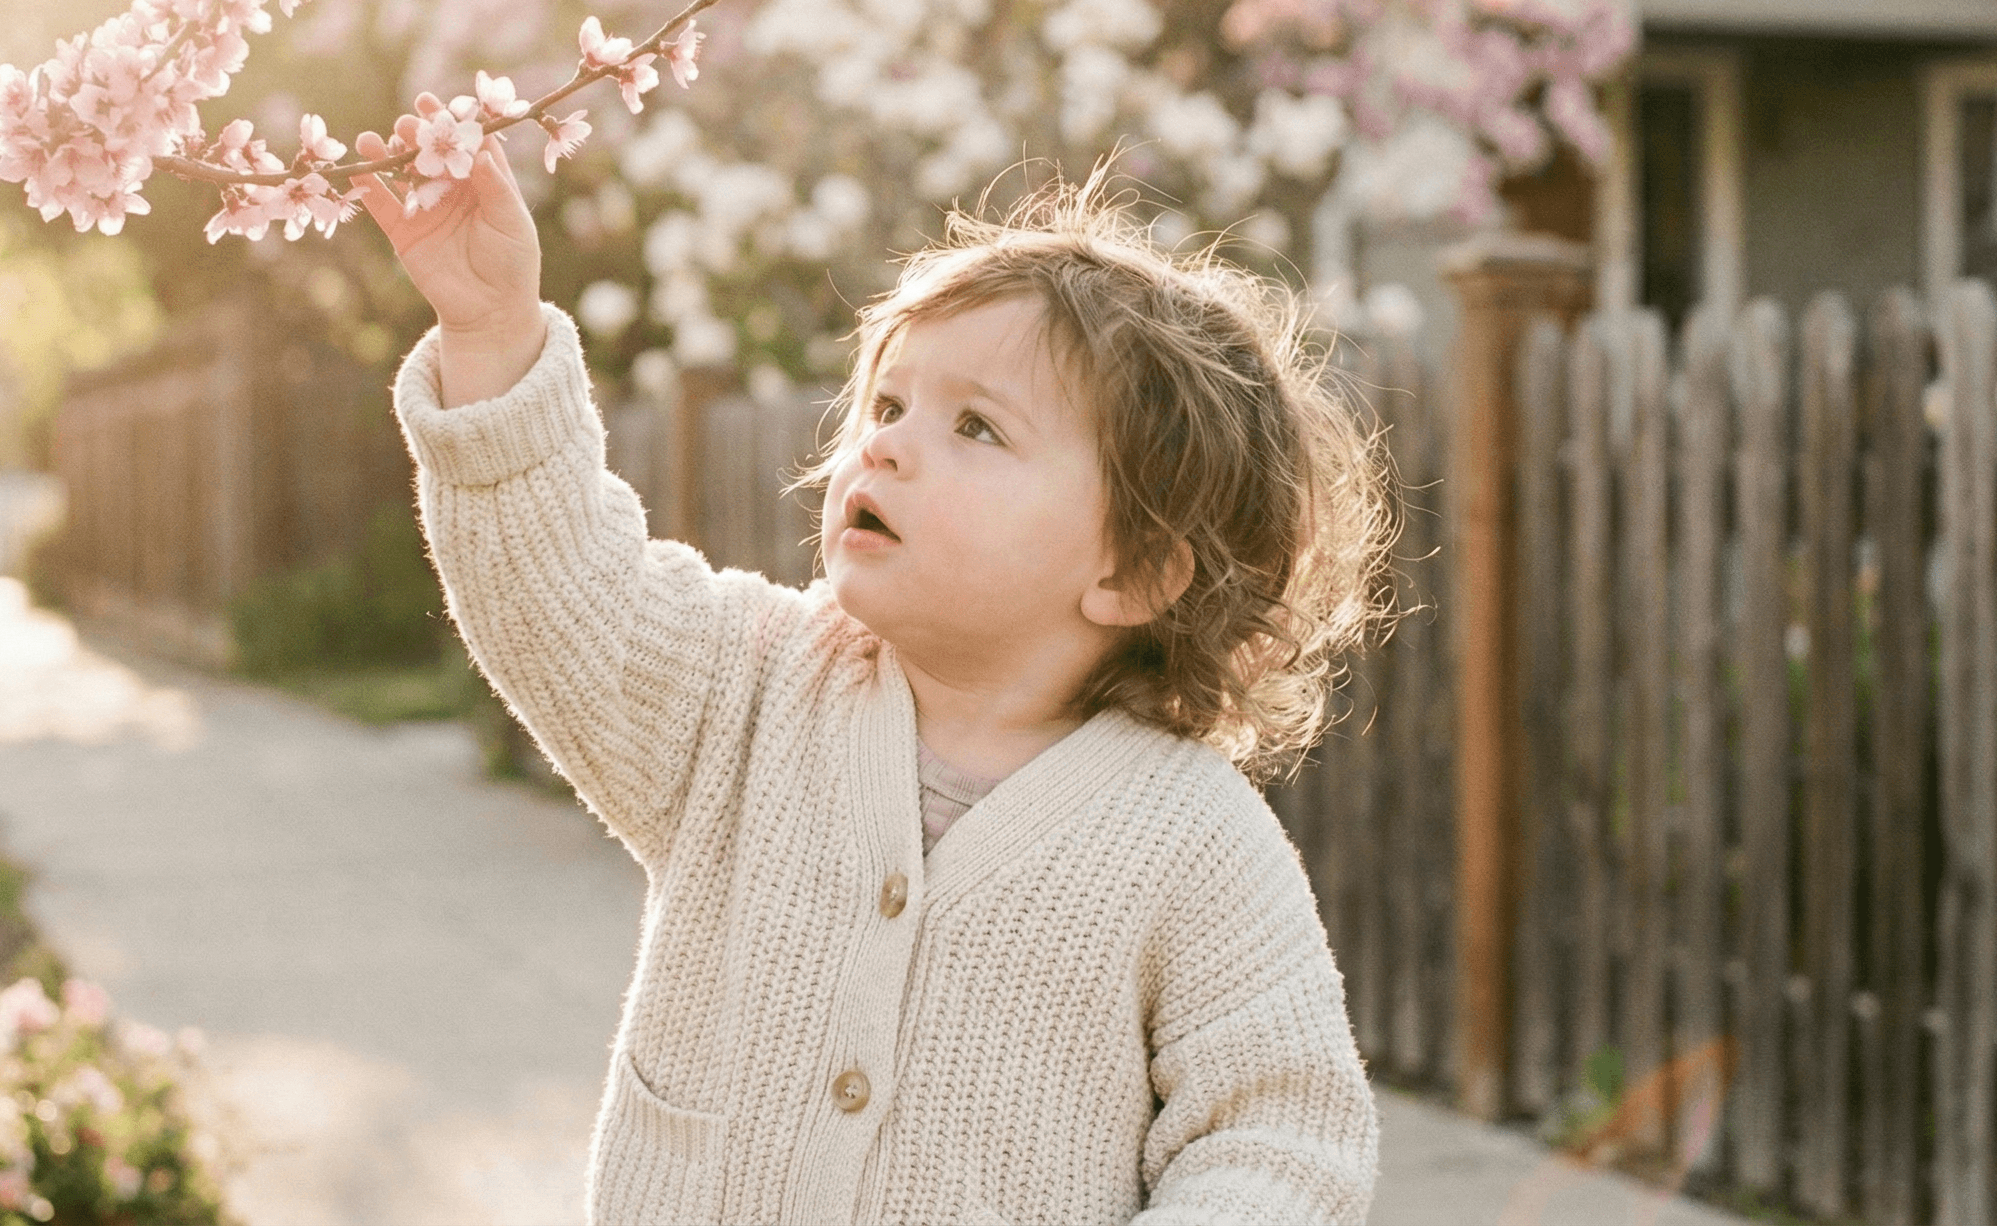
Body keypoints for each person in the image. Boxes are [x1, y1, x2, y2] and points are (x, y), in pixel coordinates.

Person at [361, 110, 1390, 1224]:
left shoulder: (1195, 844)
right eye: (888, 404)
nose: (885, 443)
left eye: (977, 428)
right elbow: (560, 593)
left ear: (1135, 573)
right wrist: (492, 332)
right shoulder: (748, 688)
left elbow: (1282, 1139)